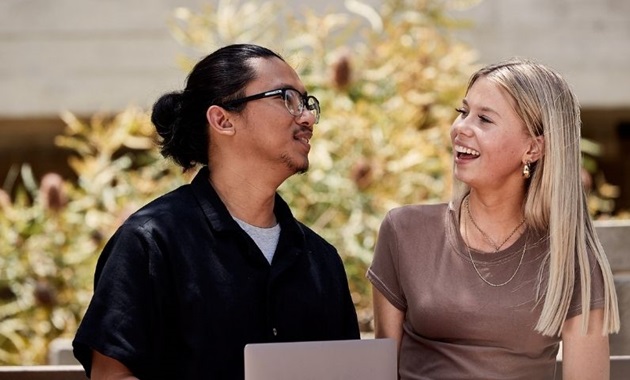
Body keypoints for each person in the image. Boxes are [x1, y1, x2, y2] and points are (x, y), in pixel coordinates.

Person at [73, 43, 360, 379]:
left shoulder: (321, 259)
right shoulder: (151, 242)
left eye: (308, 103)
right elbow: (112, 377)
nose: (308, 117)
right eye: (287, 98)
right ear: (222, 120)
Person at [367, 58, 619, 379]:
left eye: (484, 119)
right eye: (463, 112)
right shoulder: (404, 231)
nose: (460, 128)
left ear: (533, 148)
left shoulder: (571, 259)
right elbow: (383, 370)